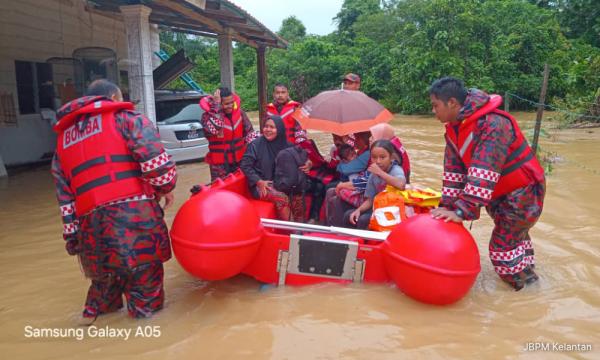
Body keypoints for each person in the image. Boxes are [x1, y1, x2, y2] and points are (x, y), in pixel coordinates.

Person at [51, 79, 176, 321]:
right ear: (114, 98)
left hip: (93, 238)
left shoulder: (62, 143)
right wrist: (164, 189)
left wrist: (73, 239)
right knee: (146, 308)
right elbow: (161, 172)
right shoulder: (127, 119)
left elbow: (65, 202)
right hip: (136, 227)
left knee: (102, 306)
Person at [428, 77, 546, 291]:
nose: (433, 111)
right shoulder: (454, 129)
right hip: (500, 194)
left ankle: (528, 293)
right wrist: (447, 206)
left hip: (523, 191)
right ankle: (529, 280)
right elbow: (453, 172)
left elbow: (484, 170)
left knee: (502, 247)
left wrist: (462, 211)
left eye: (435, 106)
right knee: (513, 239)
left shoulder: (493, 124)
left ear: (452, 103)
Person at [240, 116, 309, 221]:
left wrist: (309, 163)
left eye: (272, 127)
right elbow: (245, 165)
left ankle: (301, 225)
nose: (268, 130)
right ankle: (294, 230)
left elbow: (302, 157)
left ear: (280, 130)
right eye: (266, 126)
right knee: (281, 197)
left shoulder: (287, 146)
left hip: (281, 182)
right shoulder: (255, 145)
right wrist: (258, 181)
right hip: (262, 185)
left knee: (298, 193)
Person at [345, 140, 407, 229]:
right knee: (350, 215)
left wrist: (380, 173)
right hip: (378, 207)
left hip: (393, 210)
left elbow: (401, 185)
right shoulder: (373, 174)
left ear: (391, 158)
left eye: (382, 157)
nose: (378, 161)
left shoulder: (395, 169)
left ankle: (363, 242)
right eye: (374, 157)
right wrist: (358, 210)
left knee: (363, 220)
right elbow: (370, 200)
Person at [200, 87, 257, 181]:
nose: (230, 106)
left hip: (239, 161)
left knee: (242, 188)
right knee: (222, 192)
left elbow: (250, 134)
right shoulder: (206, 117)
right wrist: (217, 105)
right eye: (226, 104)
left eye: (232, 102)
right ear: (219, 102)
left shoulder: (240, 113)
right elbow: (215, 128)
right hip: (219, 166)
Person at [325, 131, 372, 226]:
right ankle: (328, 225)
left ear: (365, 140)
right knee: (330, 191)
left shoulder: (368, 154)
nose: (354, 140)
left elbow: (347, 170)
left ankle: (335, 229)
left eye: (357, 138)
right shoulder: (361, 152)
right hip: (361, 186)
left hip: (363, 191)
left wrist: (342, 185)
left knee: (334, 195)